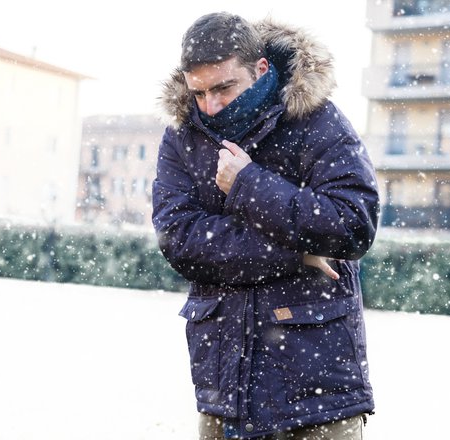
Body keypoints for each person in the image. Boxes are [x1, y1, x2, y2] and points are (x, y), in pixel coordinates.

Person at [152, 12, 380, 440]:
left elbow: (353, 223)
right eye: (198, 91)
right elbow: (180, 241)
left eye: (223, 87)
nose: (211, 105)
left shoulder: (317, 119)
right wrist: (295, 251)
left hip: (318, 392)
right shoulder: (181, 136)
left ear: (260, 70)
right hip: (226, 390)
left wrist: (248, 184)